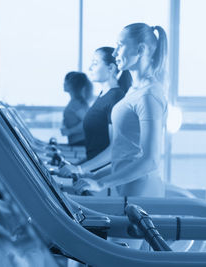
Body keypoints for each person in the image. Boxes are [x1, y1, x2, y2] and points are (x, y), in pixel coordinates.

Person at [67, 22, 168, 199]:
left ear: (140, 49)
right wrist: (93, 175)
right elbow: (122, 152)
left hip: (142, 190)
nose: (114, 53)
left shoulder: (149, 95)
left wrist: (100, 183)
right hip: (127, 189)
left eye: (120, 46)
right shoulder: (133, 92)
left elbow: (150, 160)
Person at [83, 46, 131, 160]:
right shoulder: (102, 95)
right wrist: (77, 166)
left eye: (95, 63)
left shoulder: (115, 97)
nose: (90, 68)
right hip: (93, 170)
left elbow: (115, 149)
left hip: (102, 174)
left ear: (111, 68)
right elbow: (95, 150)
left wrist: (81, 169)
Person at [61, 71, 93, 146]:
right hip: (78, 142)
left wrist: (69, 131)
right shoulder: (76, 102)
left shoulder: (76, 103)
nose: (63, 84)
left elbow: (87, 123)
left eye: (66, 81)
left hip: (80, 143)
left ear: (72, 84)